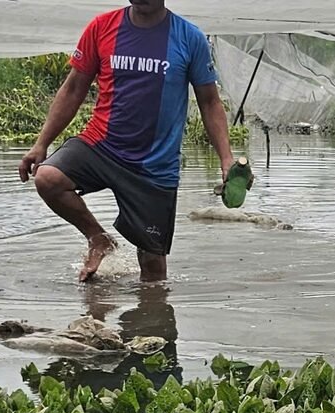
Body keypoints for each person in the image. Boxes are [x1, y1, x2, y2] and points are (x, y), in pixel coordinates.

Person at [18, 0, 250, 283]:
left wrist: (226, 158)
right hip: (101, 146)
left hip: (154, 165)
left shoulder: (189, 37)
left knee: (153, 271)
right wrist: (41, 143)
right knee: (48, 178)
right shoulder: (102, 27)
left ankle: (151, 320)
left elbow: (210, 101)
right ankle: (99, 239)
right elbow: (74, 88)